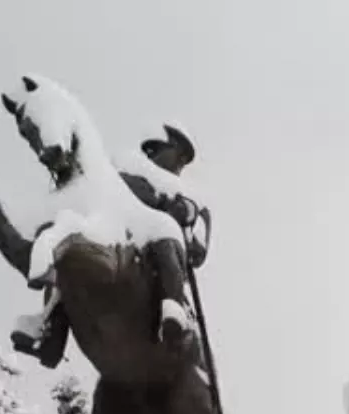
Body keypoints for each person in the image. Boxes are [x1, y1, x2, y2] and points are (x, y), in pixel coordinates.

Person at [11, 124, 212, 368]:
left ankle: (172, 311)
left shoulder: (193, 198)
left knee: (163, 235)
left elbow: (198, 253)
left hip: (161, 262)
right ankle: (51, 332)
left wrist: (185, 213)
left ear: (180, 155)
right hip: (123, 239)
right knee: (74, 258)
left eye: (159, 149)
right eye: (148, 150)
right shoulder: (134, 174)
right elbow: (114, 194)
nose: (150, 155)